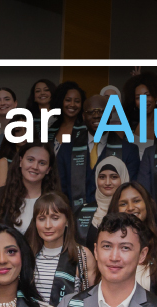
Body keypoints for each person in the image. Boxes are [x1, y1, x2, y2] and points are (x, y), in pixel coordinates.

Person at [113, 182, 157, 307]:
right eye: (123, 204)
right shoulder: (109, 251)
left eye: (136, 201)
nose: (130, 207)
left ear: (147, 205)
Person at [28, 193, 95, 307]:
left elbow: (91, 301)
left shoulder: (81, 255)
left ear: (67, 221)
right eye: (41, 218)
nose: (48, 225)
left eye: (55, 218)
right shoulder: (28, 254)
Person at [0, 143, 60, 233]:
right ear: (20, 161)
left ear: (48, 169)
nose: (35, 167)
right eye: (30, 160)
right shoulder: (0, 196)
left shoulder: (57, 201)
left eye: (42, 163)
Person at [49, 81, 94, 210]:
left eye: (77, 101)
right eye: (68, 100)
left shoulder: (86, 129)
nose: (72, 105)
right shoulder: (52, 129)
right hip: (50, 186)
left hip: (76, 189)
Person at [80, 157, 130, 246]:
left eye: (114, 177)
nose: (107, 182)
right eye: (102, 177)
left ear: (123, 178)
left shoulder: (130, 210)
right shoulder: (83, 212)